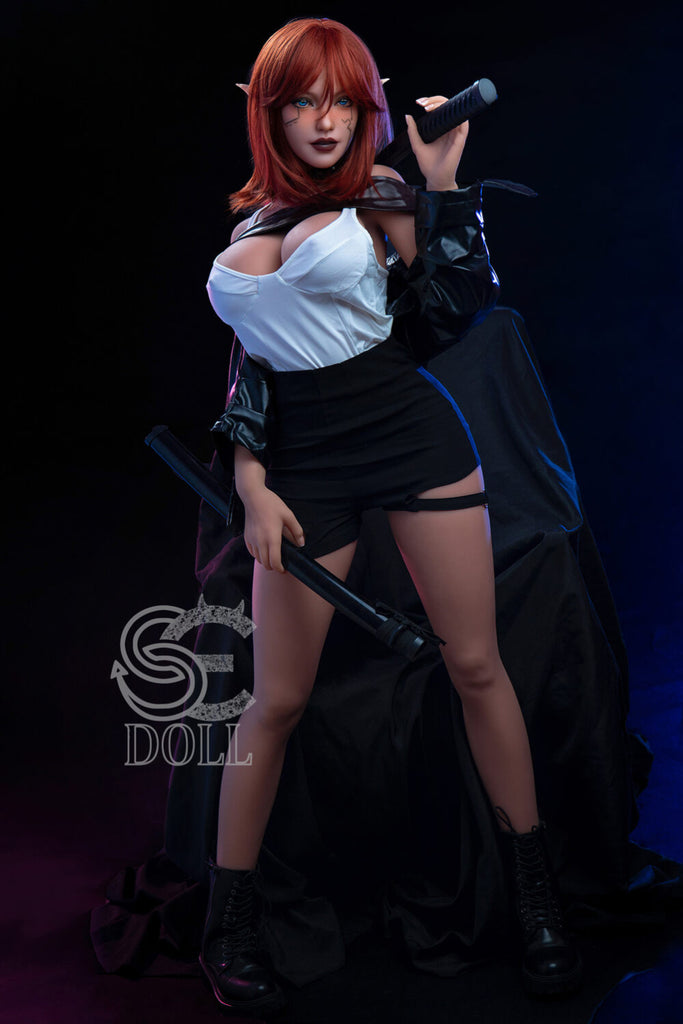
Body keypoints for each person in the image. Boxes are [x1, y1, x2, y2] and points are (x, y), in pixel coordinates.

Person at [200, 16, 582, 1015]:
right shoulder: (248, 224)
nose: (324, 120)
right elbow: (251, 373)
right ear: (268, 110)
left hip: (411, 438)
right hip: (303, 468)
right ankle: (226, 924)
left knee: (474, 665)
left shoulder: (376, 195)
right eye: (301, 100)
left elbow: (452, 313)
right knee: (274, 701)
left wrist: (442, 185)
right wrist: (251, 484)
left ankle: (534, 897)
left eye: (341, 100)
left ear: (364, 109)